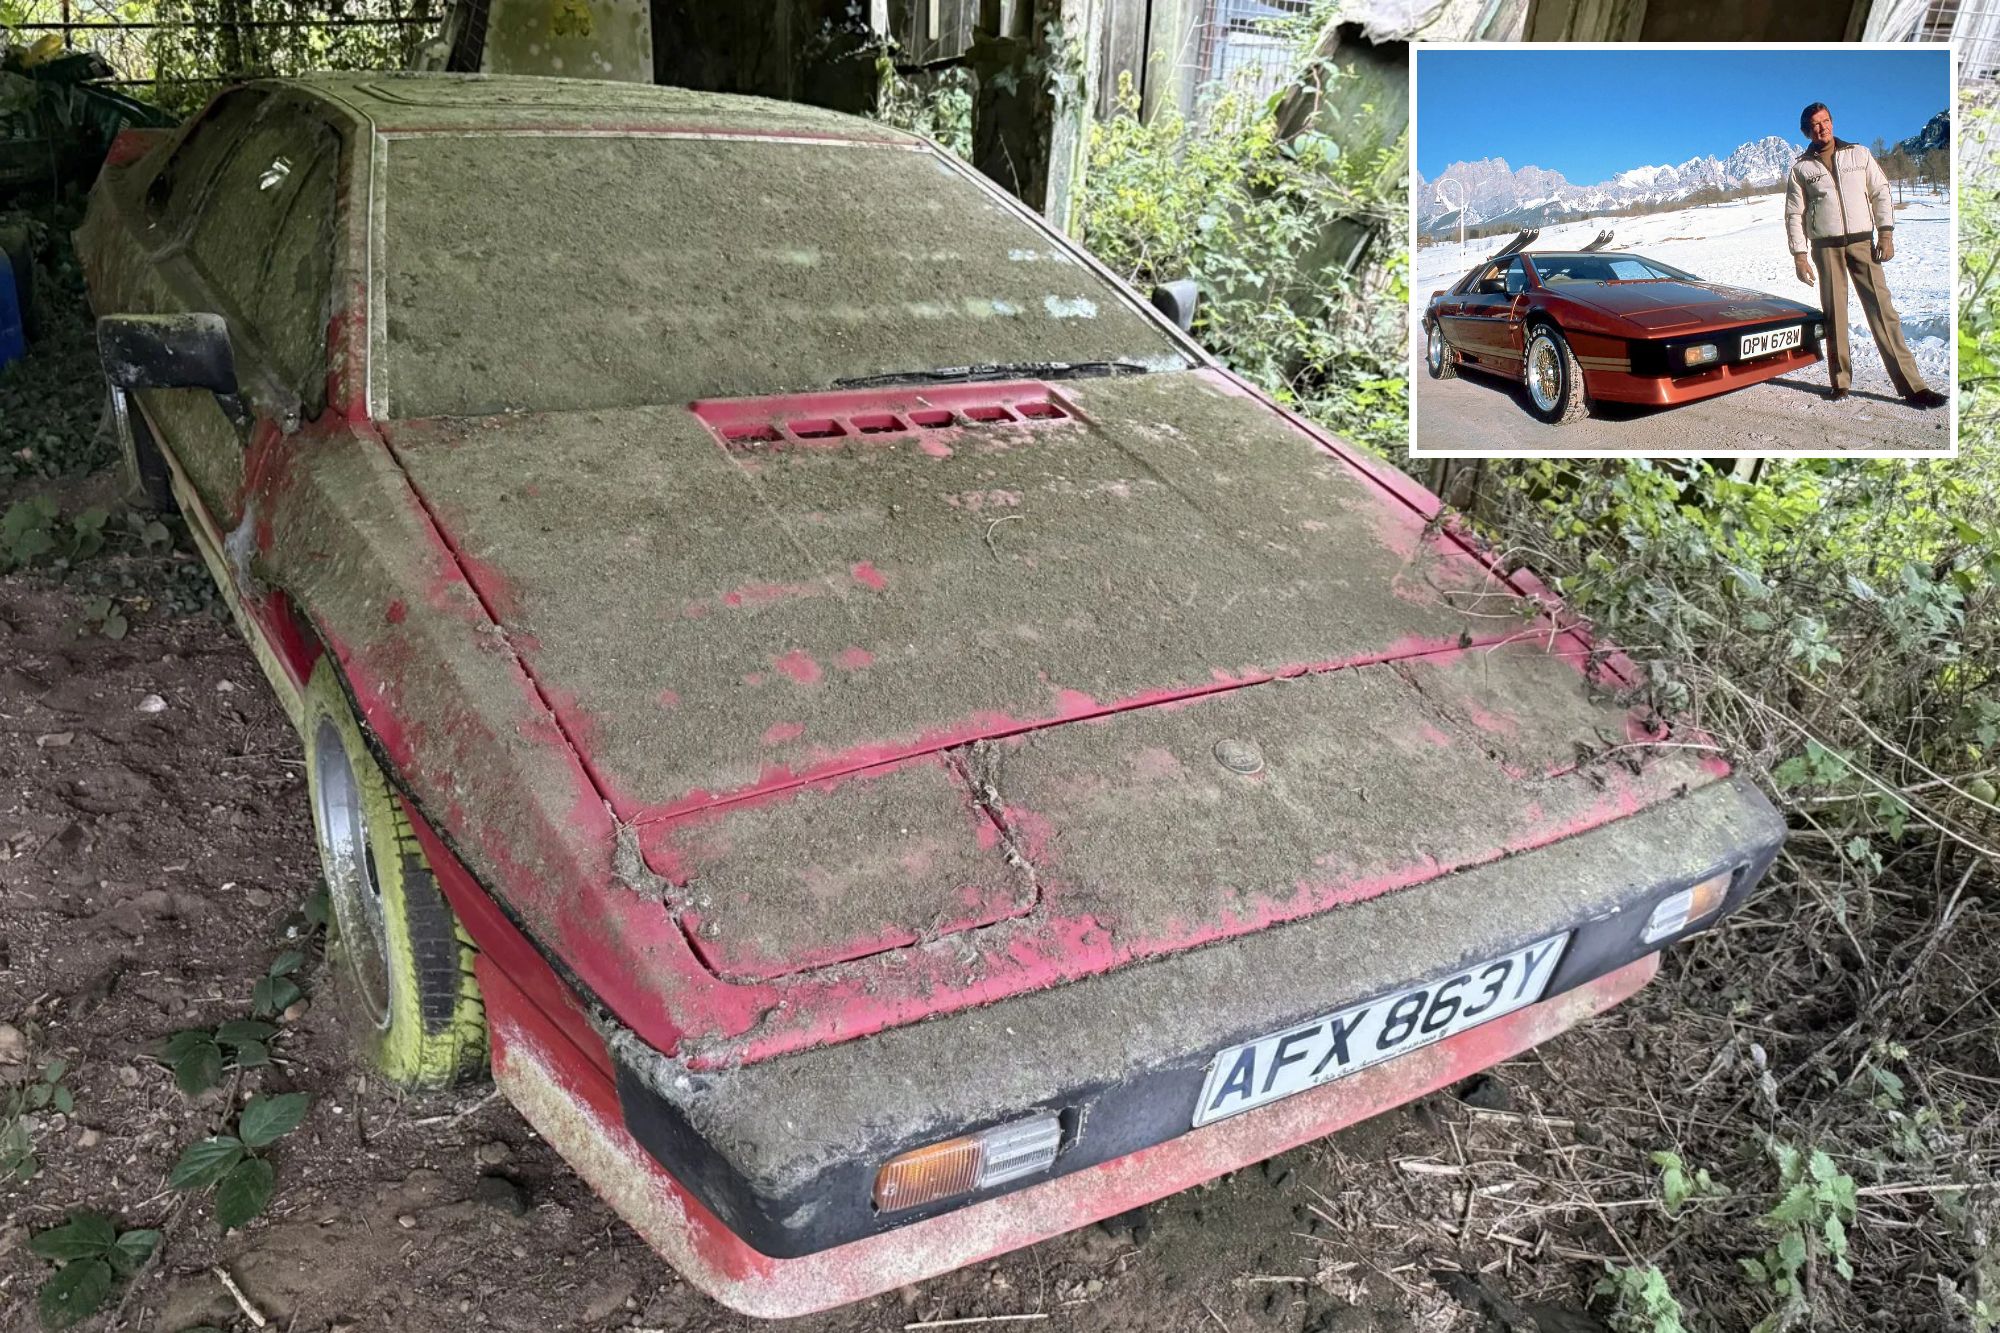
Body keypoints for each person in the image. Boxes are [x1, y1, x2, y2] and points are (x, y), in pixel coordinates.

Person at [1784, 101, 1946, 409]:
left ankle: (1914, 387)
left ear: (1832, 121)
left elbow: (1880, 191)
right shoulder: (1801, 169)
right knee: (1835, 317)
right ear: (1807, 131)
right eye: (1816, 124)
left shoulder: (1858, 154)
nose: (1823, 127)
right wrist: (1799, 255)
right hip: (1825, 247)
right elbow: (1794, 214)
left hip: (1862, 243)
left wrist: (1885, 232)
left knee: (1883, 313)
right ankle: (1840, 382)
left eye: (1827, 120)